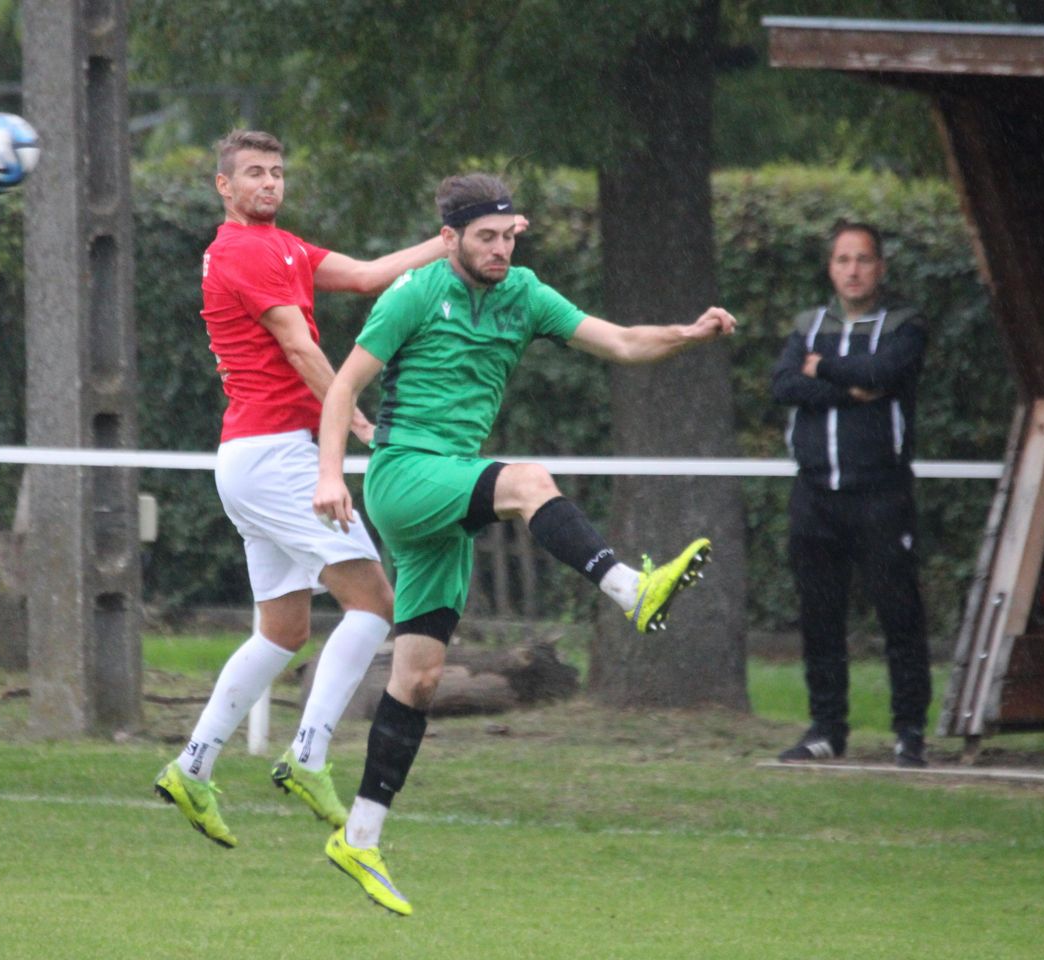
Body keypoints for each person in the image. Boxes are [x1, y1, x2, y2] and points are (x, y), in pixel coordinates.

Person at [311, 172, 737, 915]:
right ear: (450, 238)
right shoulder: (413, 293)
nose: (502, 249)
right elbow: (343, 388)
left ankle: (359, 836)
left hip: (444, 499)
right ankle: (631, 590)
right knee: (528, 480)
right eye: (487, 237)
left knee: (418, 679)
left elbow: (623, 343)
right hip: (406, 475)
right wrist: (329, 477)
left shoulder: (526, 293)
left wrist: (689, 335)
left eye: (510, 236)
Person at [153, 129, 464, 848]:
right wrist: (352, 419)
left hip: (252, 455)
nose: (269, 182)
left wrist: (443, 246)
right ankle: (309, 755)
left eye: (277, 172)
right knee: (376, 602)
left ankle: (192, 768)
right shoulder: (242, 251)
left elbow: (362, 275)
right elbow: (298, 345)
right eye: (254, 173)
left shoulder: (282, 245)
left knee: (284, 630)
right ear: (223, 188)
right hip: (276, 456)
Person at [771, 219, 930, 769]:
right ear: (830, 267)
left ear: (879, 267)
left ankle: (910, 731)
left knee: (899, 613)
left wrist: (826, 370)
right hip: (815, 494)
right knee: (819, 615)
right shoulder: (808, 325)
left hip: (881, 494)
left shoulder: (904, 324)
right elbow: (784, 384)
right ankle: (825, 730)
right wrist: (851, 386)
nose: (853, 270)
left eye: (863, 259)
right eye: (843, 260)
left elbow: (887, 369)